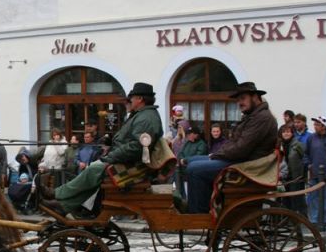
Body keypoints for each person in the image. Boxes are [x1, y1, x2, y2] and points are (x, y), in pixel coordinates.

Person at [41, 82, 163, 217]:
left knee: (94, 169)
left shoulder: (146, 118)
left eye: (132, 98)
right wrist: (111, 142)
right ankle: (65, 205)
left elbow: (137, 147)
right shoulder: (142, 115)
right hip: (129, 161)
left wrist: (112, 156)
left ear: (140, 99)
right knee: (95, 171)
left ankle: (57, 194)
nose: (131, 101)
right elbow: (131, 141)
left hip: (133, 166)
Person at [185, 82, 277, 214]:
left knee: (194, 169)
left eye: (243, 98)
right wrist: (217, 155)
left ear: (255, 97)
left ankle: (199, 214)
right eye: (238, 99)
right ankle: (204, 206)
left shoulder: (262, 118)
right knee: (192, 161)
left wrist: (216, 155)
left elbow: (241, 148)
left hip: (246, 166)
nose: (239, 103)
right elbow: (234, 143)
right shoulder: (252, 117)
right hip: (240, 160)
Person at [304, 116, 326, 230]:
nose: (315, 126)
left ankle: (325, 220)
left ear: (323, 126)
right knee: (313, 197)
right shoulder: (311, 138)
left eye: (317, 124)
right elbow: (306, 154)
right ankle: (314, 220)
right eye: (315, 124)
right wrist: (308, 164)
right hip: (314, 173)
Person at [278, 124, 307, 215]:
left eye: (288, 132)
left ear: (292, 133)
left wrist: (304, 175)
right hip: (283, 176)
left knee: (297, 198)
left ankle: (301, 217)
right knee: (284, 198)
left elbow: (305, 159)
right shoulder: (279, 145)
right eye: (284, 132)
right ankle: (287, 218)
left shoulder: (298, 145)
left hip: (295, 176)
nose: (286, 134)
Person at [177, 126, 208, 198]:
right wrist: (181, 159)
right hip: (183, 172)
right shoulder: (187, 143)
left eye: (190, 134)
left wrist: (185, 161)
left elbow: (198, 157)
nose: (188, 135)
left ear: (196, 135)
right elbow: (180, 153)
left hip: (193, 172)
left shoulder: (201, 144)